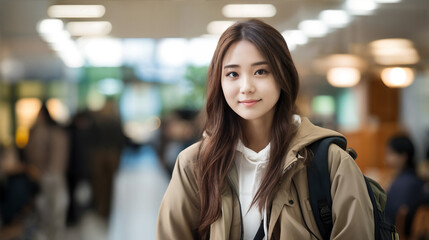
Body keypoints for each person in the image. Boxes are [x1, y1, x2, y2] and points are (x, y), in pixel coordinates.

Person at [156, 19, 374, 239]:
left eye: (260, 71)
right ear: (219, 82)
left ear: (283, 76)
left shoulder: (331, 163)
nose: (246, 87)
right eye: (232, 74)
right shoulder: (195, 165)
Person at [384, 135, 427, 237]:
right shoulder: (414, 179)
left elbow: (391, 212)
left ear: (403, 156)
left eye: (390, 153)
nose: (385, 157)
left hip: (392, 233)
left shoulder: (404, 183)